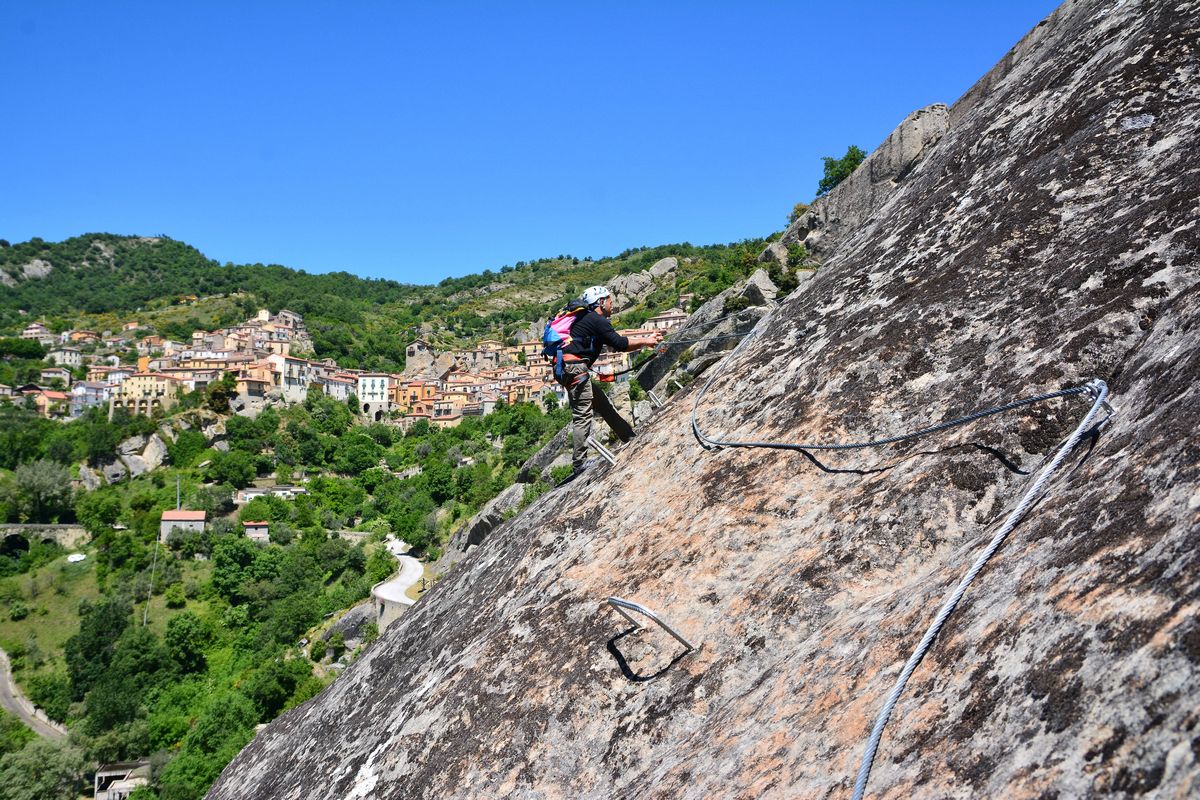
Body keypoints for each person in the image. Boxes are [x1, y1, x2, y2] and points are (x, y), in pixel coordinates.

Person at [556, 285, 662, 478]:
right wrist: (646, 341)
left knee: (602, 403)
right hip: (575, 369)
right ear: (601, 302)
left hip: (568, 369)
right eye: (610, 301)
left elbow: (615, 341)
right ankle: (579, 464)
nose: (612, 305)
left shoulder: (587, 320)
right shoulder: (596, 320)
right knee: (582, 414)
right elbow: (621, 344)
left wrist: (644, 339)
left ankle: (629, 437)